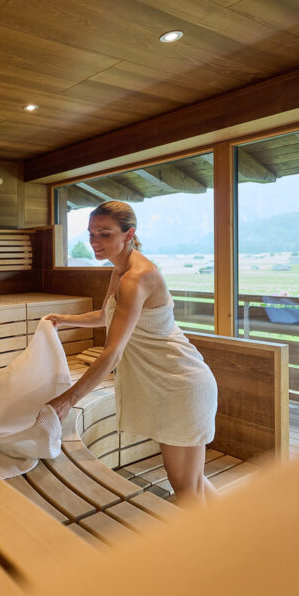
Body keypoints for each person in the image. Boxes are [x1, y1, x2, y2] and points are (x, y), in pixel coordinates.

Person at [45, 201, 219, 508]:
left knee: (186, 488)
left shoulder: (137, 277)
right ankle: (235, 533)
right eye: (91, 233)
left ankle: (218, 540)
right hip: (167, 382)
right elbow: (106, 316)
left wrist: (69, 399)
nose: (95, 241)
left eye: (105, 234)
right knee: (193, 483)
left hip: (181, 382)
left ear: (129, 234)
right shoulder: (120, 271)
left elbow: (113, 352)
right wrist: (64, 319)